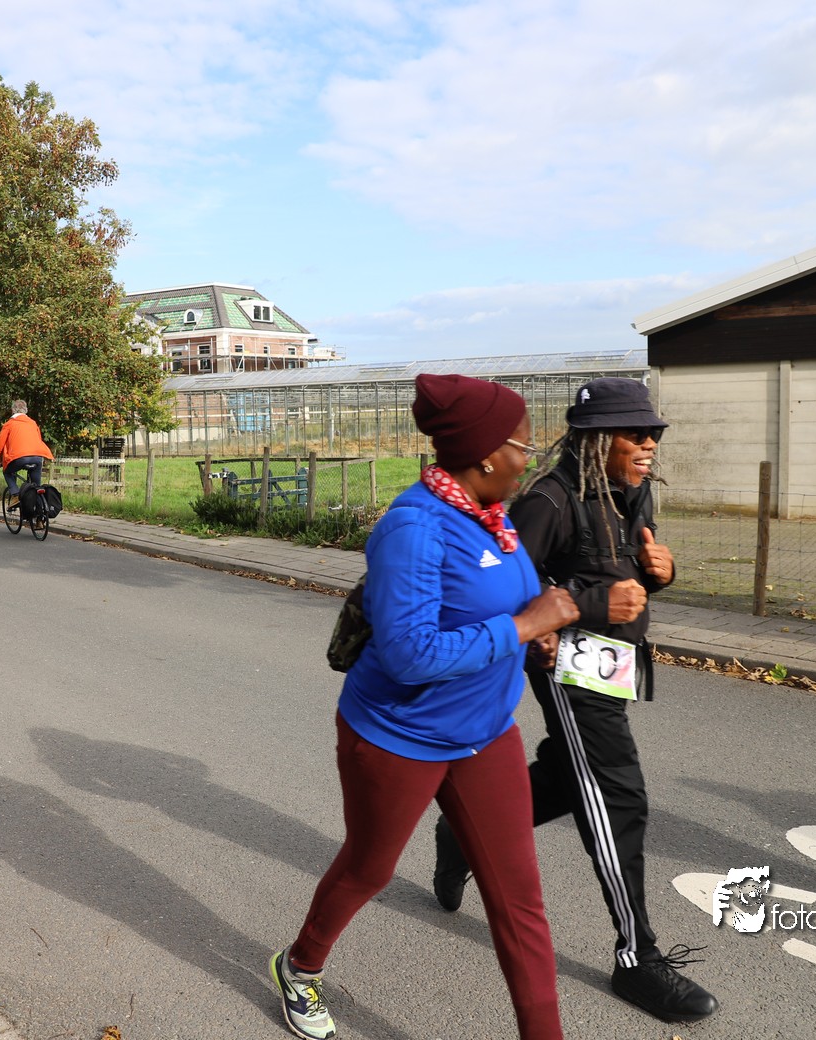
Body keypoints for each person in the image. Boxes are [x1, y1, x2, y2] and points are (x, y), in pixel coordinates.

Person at [268, 374, 579, 1040]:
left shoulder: (492, 515)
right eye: (525, 447)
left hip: (484, 735)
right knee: (369, 867)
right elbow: (411, 655)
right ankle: (299, 966)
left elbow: (506, 600)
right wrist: (523, 627)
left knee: (519, 902)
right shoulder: (413, 528)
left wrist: (536, 630)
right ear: (486, 455)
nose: (530, 460)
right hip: (395, 735)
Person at [429, 376, 719, 1024]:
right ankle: (637, 957)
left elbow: (626, 568)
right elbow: (502, 593)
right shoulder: (549, 501)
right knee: (618, 796)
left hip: (612, 667)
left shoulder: (632, 490)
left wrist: (661, 573)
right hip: (567, 669)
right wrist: (591, 604)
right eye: (635, 434)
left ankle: (462, 837)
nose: (649, 444)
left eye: (653, 433)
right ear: (595, 440)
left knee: (570, 776)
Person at [0, 400, 54, 498]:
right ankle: (39, 500)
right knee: (36, 486)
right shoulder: (33, 423)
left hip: (18, 458)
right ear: (26, 410)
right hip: (37, 457)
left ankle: (15, 495)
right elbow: (38, 440)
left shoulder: (9, 424)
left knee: (7, 472)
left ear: (13, 410)